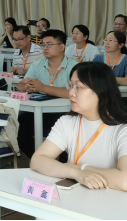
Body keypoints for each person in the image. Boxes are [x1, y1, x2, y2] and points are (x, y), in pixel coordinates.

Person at [31, 62, 127, 192]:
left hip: (123, 202)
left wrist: (81, 168)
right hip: (83, 197)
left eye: (79, 87)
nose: (71, 92)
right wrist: (76, 173)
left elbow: (125, 181)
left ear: (101, 91)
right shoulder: (66, 122)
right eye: (70, 86)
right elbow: (37, 160)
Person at [16, 29, 78, 158]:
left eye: (49, 44)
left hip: (67, 112)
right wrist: (27, 87)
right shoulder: (38, 64)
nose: (45, 48)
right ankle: (39, 159)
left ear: (61, 47)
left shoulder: (74, 67)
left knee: (65, 135)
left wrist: (43, 88)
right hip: (41, 111)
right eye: (43, 45)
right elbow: (20, 85)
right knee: (18, 125)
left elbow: (75, 92)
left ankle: (62, 163)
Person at [92, 31, 127, 113]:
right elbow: (90, 77)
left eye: (111, 40)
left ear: (121, 45)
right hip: (101, 102)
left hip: (122, 103)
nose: (106, 43)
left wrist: (105, 78)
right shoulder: (98, 58)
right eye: (106, 40)